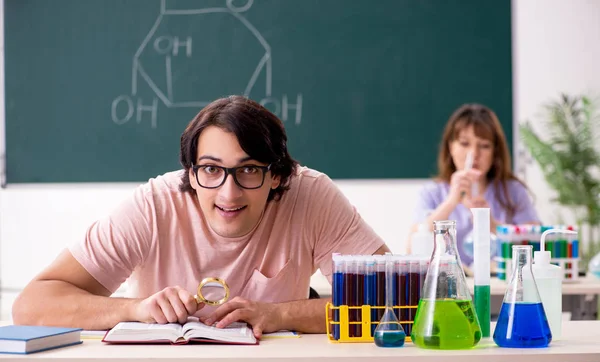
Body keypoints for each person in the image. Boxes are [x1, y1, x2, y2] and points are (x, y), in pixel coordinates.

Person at [13, 96, 389, 337]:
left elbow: (394, 301)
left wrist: (281, 314)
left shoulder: (311, 194)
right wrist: (134, 310)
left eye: (249, 170)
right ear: (190, 173)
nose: (229, 193)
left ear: (277, 175)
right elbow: (31, 304)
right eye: (210, 170)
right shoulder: (153, 205)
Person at [408, 103, 540, 266]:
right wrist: (450, 203)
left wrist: (492, 225)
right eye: (464, 144)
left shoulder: (513, 191)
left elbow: (538, 246)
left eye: (484, 146)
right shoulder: (432, 193)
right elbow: (412, 249)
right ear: (451, 147)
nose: (474, 153)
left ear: (495, 152)